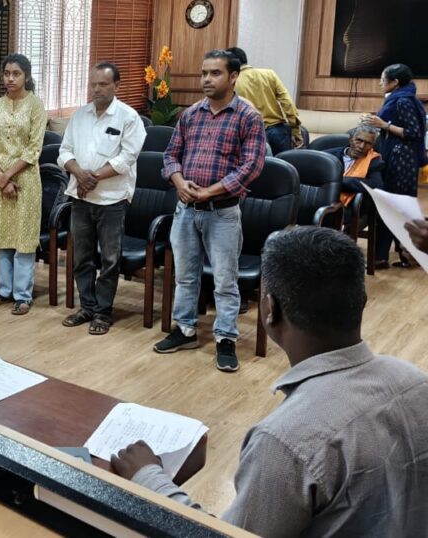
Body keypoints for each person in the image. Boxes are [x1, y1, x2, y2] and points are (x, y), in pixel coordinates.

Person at [113, 226, 428, 536]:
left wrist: (148, 478)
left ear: (269, 309)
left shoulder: (287, 441)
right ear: (362, 301)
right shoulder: (415, 381)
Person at [153, 49, 265, 372]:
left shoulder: (247, 116)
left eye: (215, 73)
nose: (206, 79)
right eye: (204, 73)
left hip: (222, 212)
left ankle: (225, 338)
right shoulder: (190, 115)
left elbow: (251, 167)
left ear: (233, 77)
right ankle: (185, 329)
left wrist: (209, 191)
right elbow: (170, 156)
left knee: (225, 281)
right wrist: (178, 182)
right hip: (186, 209)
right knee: (185, 276)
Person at [57, 62, 145, 335]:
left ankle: (103, 312)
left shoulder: (128, 117)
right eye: (93, 84)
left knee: (109, 260)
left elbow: (126, 158)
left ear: (116, 85)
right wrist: (78, 173)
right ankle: (87, 306)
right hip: (81, 198)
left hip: (112, 200)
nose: (96, 89)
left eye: (103, 84)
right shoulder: (80, 115)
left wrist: (91, 177)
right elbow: (64, 151)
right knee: (81, 257)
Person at [0, 53, 47, 315]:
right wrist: (0, 177)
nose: (10, 78)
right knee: (2, 237)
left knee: (24, 239)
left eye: (16, 73)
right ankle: (3, 290)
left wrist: (7, 176)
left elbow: (33, 149)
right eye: (6, 73)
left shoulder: (35, 106)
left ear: (26, 76)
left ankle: (22, 295)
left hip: (26, 181)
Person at [361, 63, 428, 269]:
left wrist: (384, 124)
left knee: (393, 207)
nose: (380, 83)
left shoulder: (403, 101)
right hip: (398, 157)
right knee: (397, 207)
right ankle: (406, 254)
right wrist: (376, 122)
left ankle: (383, 257)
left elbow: (413, 133)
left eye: (383, 79)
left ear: (395, 82)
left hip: (402, 161)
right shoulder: (400, 97)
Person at [226, 47, 303, 154]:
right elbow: (287, 103)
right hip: (278, 132)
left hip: (251, 134)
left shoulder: (230, 82)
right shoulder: (269, 74)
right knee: (285, 163)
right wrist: (295, 130)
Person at [324, 125, 384, 228]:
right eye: (359, 140)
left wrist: (338, 182)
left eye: (368, 143)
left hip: (351, 207)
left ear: (372, 146)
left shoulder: (374, 161)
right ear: (350, 139)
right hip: (324, 201)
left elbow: (375, 185)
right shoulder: (328, 156)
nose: (361, 146)